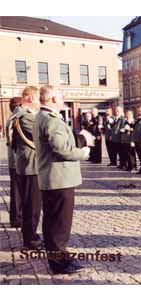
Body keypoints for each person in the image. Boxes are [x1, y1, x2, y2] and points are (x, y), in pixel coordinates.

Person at [33, 85, 91, 274]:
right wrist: (83, 152)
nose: (63, 98)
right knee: (59, 224)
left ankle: (59, 258)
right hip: (59, 179)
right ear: (52, 99)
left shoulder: (42, 116)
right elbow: (62, 149)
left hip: (53, 178)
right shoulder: (52, 120)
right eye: (60, 96)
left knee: (53, 222)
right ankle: (59, 263)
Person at [12, 86, 43, 249]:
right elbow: (40, 135)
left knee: (32, 204)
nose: (39, 102)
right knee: (32, 205)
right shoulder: (25, 116)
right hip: (31, 165)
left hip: (29, 164)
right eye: (37, 99)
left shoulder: (21, 113)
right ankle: (31, 240)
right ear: (30, 98)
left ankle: (31, 236)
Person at [5, 97, 23, 228]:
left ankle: (16, 217)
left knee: (16, 190)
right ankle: (16, 218)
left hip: (14, 160)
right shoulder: (16, 118)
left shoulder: (12, 117)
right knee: (17, 191)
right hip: (17, 161)